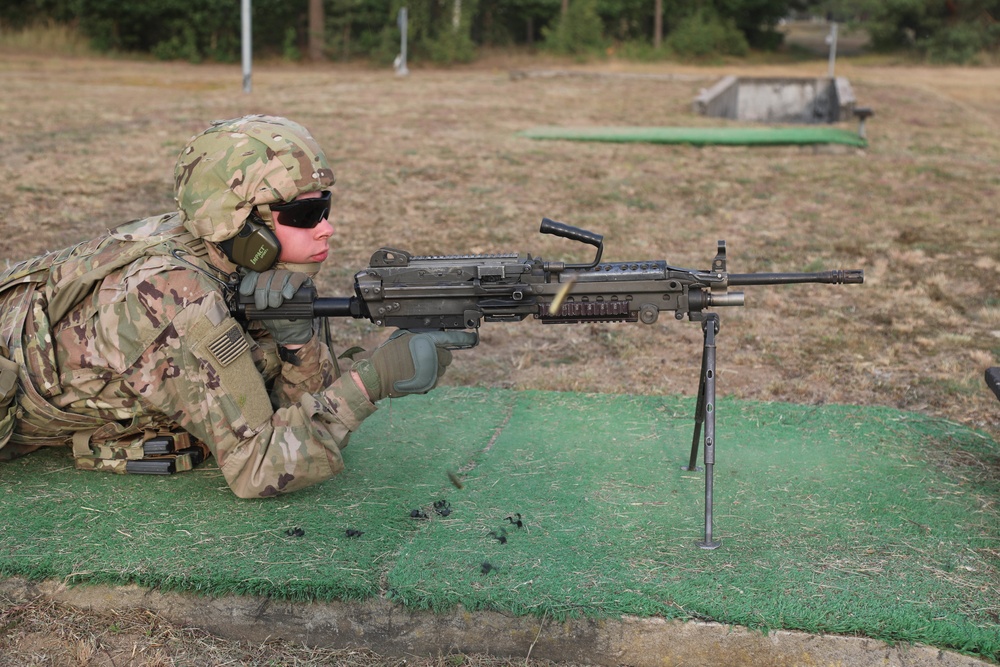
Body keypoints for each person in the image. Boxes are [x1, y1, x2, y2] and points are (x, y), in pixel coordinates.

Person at [0, 115, 475, 498]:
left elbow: (286, 409)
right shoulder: (174, 298)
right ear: (242, 226)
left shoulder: (231, 256)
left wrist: (296, 343)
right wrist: (373, 381)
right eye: (305, 214)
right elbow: (260, 467)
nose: (325, 227)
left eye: (323, 207)